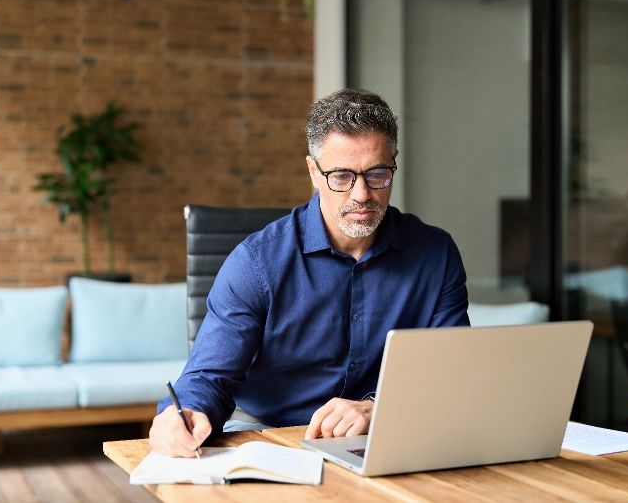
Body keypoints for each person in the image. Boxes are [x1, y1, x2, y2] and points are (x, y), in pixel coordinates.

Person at [150, 89, 470, 457]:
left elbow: (450, 374)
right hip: (271, 433)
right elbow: (209, 377)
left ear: (393, 163)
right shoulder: (255, 263)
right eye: (341, 176)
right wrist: (184, 414)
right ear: (313, 172)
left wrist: (376, 407)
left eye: (377, 174)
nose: (362, 194)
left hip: (388, 431)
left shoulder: (436, 254)